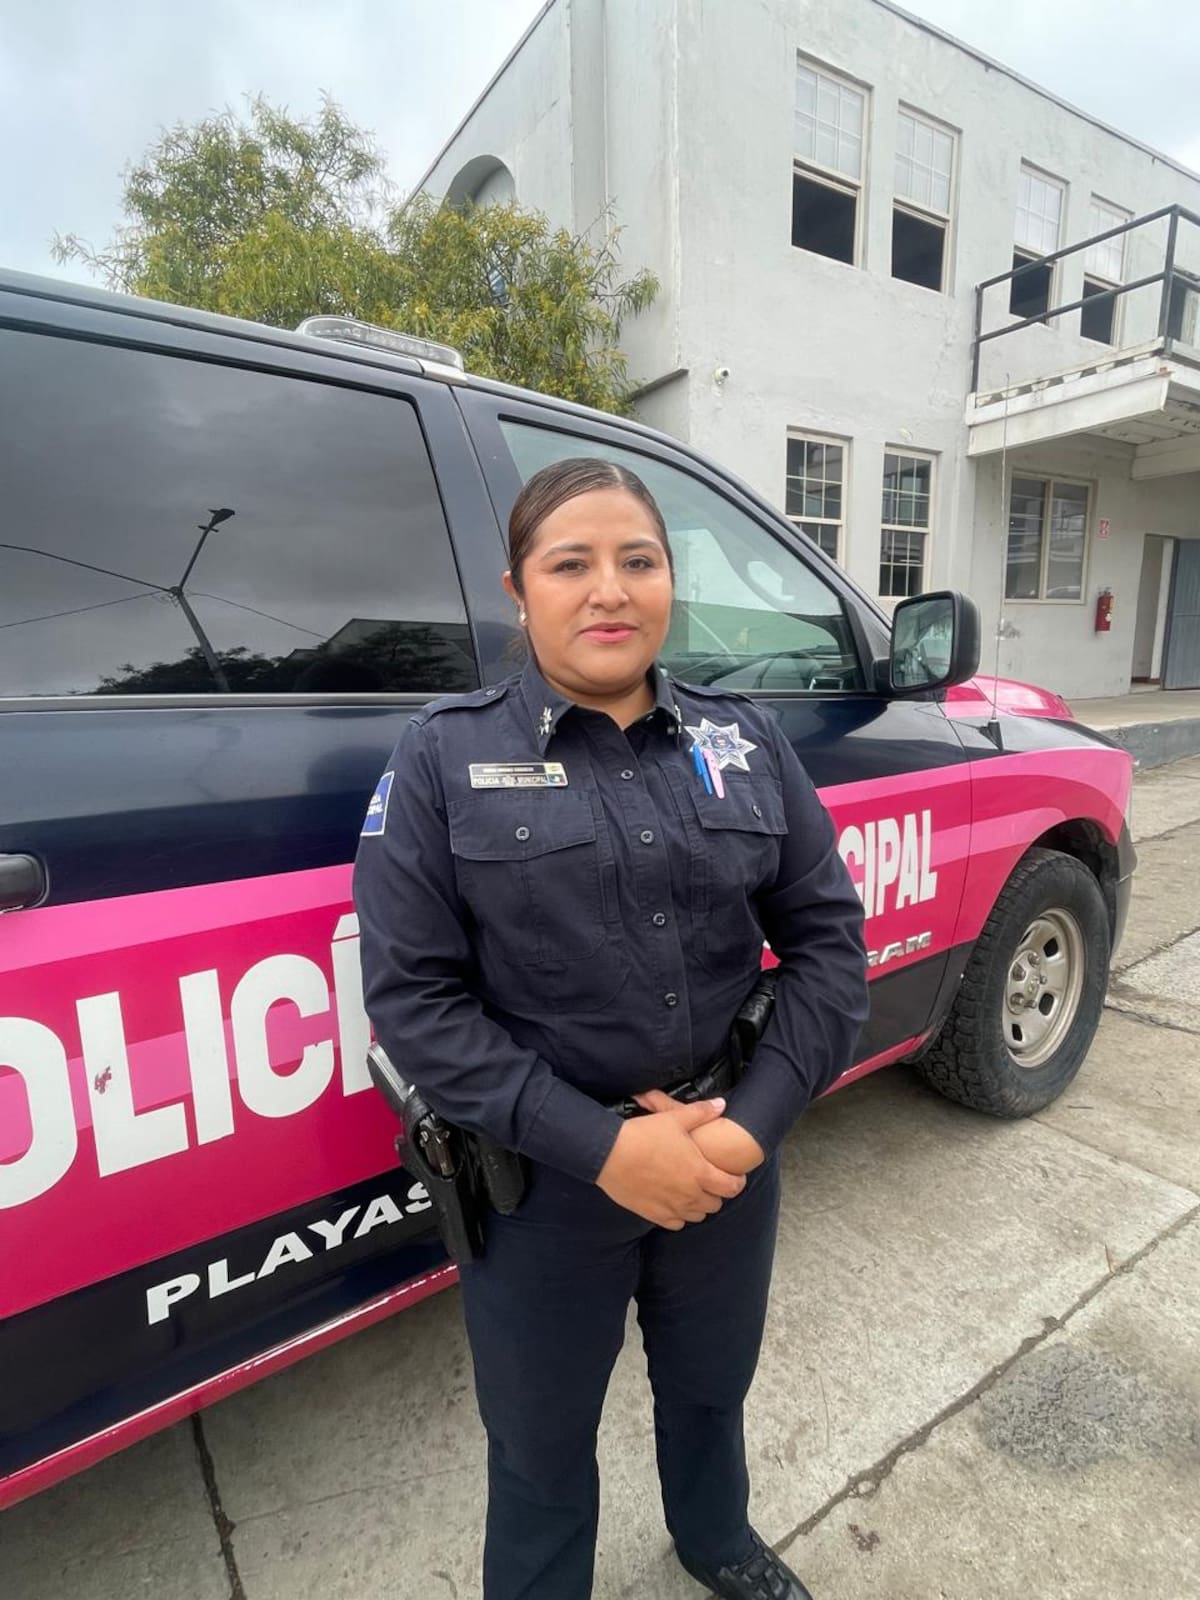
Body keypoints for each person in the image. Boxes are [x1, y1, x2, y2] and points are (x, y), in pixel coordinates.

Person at [353, 457, 869, 1600]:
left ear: (668, 582)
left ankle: (717, 1539)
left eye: (637, 560)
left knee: (710, 1384)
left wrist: (749, 1128)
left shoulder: (742, 740)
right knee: (538, 1446)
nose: (608, 590)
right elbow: (415, 1004)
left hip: (727, 1151)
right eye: (570, 563)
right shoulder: (441, 757)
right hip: (543, 1185)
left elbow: (831, 945)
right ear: (517, 589)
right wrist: (607, 1148)